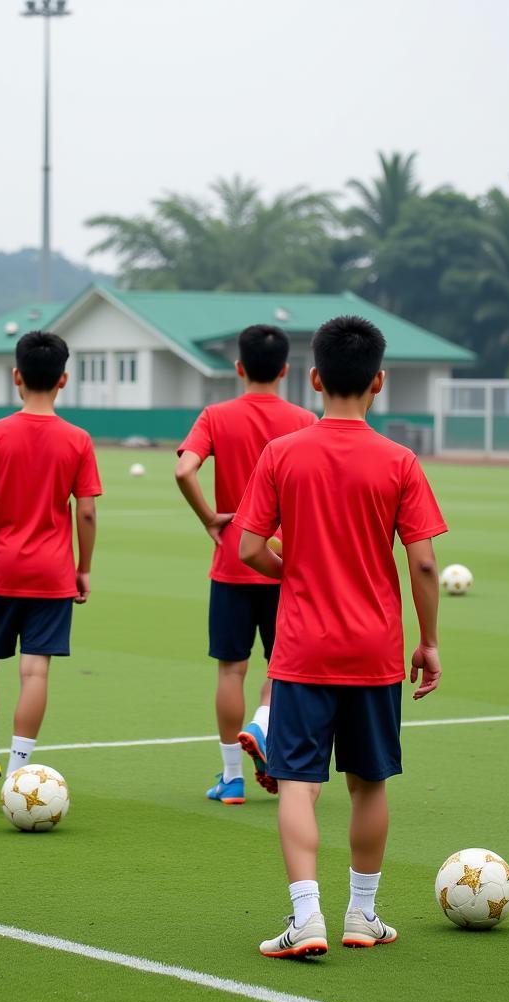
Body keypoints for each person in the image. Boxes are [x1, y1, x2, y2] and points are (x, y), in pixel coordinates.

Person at [234, 315, 445, 959]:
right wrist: (428, 642)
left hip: (301, 650)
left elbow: (247, 548)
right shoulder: (399, 460)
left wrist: (291, 568)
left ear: (316, 378)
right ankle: (361, 914)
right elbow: (426, 563)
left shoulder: (282, 452)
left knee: (298, 782)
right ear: (379, 381)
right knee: (369, 783)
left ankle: (307, 918)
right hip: (375, 650)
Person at [0, 330, 100, 809]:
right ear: (63, 380)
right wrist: (83, 568)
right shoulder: (78, 439)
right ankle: (18, 772)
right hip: (53, 573)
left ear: (16, 377)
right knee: (35, 673)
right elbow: (87, 512)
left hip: (0, 570)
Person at [175, 324, 316, 804]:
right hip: (285, 560)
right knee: (283, 667)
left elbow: (183, 469)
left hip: (233, 559)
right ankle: (265, 726)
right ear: (284, 370)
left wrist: (209, 518)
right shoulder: (302, 419)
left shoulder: (216, 414)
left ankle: (232, 778)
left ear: (239, 368)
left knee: (230, 671)